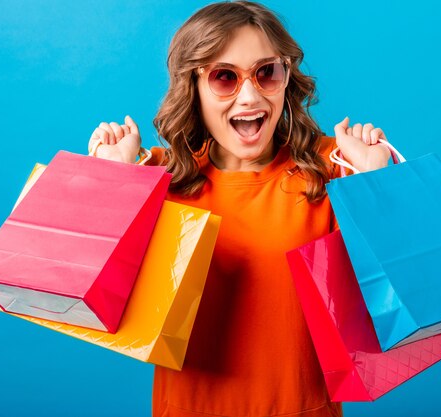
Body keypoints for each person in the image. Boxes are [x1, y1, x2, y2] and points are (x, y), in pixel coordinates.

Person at [89, 2, 390, 416]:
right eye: (224, 77)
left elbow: (390, 292)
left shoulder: (334, 167)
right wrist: (113, 179)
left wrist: (372, 181)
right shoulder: (161, 178)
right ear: (192, 86)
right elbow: (98, 299)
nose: (250, 96)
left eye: (267, 72)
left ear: (286, 78)